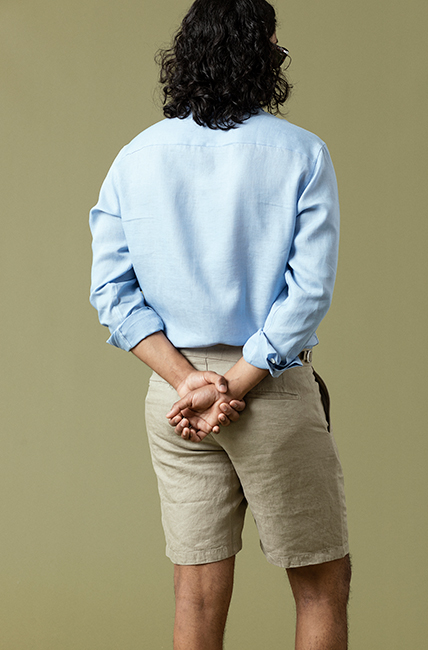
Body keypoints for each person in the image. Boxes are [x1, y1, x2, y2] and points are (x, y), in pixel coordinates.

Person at [89, 0, 351, 647]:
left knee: (196, 590)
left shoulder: (135, 157)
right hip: (268, 389)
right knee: (320, 583)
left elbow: (111, 293)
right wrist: (231, 385)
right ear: (262, 57)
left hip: (176, 400)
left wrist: (190, 383)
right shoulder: (302, 153)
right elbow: (307, 294)